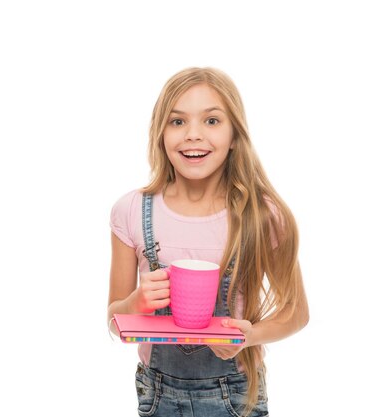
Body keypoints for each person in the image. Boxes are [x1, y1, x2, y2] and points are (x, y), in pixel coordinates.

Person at [107, 67, 309, 417]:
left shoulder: (262, 215)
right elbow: (113, 319)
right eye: (178, 122)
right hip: (157, 392)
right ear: (160, 133)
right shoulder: (132, 211)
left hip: (236, 394)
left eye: (212, 121)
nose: (193, 136)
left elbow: (296, 313)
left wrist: (248, 336)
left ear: (234, 135)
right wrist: (137, 301)